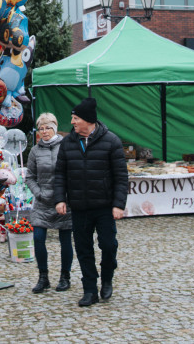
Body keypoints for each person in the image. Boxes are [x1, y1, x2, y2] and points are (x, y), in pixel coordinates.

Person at [53, 98, 128, 307]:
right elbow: (60, 173)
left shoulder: (111, 141)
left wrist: (118, 205)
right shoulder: (68, 142)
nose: (73, 122)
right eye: (73, 118)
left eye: (76, 118)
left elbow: (121, 176)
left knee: (108, 245)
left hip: (104, 207)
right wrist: (60, 198)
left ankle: (107, 278)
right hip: (79, 207)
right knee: (84, 249)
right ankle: (89, 290)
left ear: (88, 120)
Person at [25, 112, 73, 294]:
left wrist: (66, 195)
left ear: (54, 127)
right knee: (38, 237)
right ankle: (43, 276)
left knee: (65, 238)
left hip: (63, 200)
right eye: (41, 128)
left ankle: (65, 276)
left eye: (47, 128)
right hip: (42, 200)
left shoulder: (66, 147)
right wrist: (38, 192)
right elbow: (30, 176)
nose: (44, 132)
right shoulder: (35, 151)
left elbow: (73, 172)